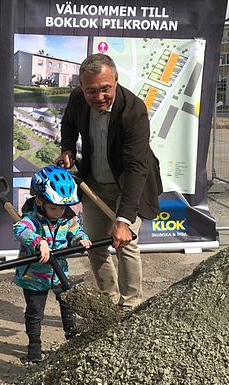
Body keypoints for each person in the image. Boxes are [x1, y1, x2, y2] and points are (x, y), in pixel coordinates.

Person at [57, 53, 163, 309]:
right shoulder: (77, 99)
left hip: (126, 184)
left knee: (125, 244)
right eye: (91, 91)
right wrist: (68, 149)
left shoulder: (133, 110)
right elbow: (69, 124)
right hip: (94, 184)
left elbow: (137, 167)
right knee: (95, 244)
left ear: (116, 80)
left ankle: (130, 305)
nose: (99, 97)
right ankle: (109, 302)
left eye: (105, 89)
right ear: (82, 87)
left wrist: (124, 220)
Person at [13, 165, 92, 363]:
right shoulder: (31, 219)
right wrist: (38, 242)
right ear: (40, 201)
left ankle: (72, 338)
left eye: (62, 208)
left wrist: (81, 239)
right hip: (34, 276)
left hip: (59, 273)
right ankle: (34, 349)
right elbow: (20, 229)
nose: (58, 213)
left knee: (67, 304)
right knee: (35, 313)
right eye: (54, 208)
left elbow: (76, 231)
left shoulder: (67, 218)